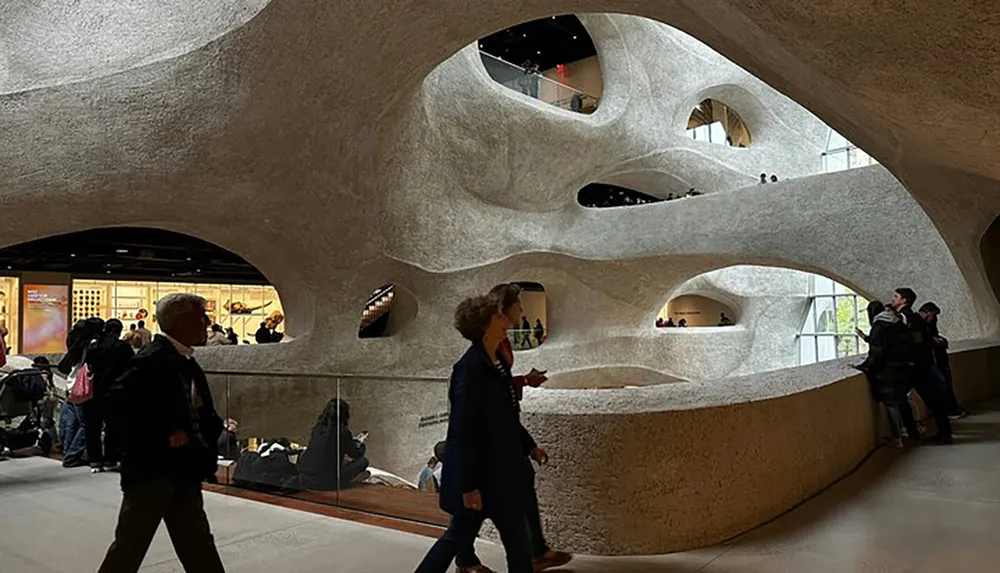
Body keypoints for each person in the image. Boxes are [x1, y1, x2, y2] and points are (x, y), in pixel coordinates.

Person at [97, 293, 225, 573]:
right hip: (153, 472)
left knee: (196, 543)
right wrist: (165, 436)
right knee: (131, 545)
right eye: (201, 317)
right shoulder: (152, 359)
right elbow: (115, 404)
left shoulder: (180, 358)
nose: (207, 323)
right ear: (181, 322)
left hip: (181, 468)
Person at [414, 295, 536, 573]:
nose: (506, 320)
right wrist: (468, 487)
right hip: (481, 479)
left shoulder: (498, 363)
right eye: (499, 317)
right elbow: (462, 430)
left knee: (518, 542)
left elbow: (506, 416)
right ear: (484, 325)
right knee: (457, 538)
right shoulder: (469, 369)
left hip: (501, 473)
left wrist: (529, 446)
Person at [890, 288, 953, 444]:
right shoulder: (915, 318)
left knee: (928, 399)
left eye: (896, 297)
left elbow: (914, 342)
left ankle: (932, 434)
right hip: (920, 365)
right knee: (931, 399)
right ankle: (930, 432)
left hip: (916, 366)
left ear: (904, 300)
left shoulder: (907, 318)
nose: (893, 299)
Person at [856, 301, 920, 447]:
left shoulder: (878, 326)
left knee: (891, 404)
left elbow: (877, 352)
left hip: (887, 372)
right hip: (903, 368)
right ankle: (912, 432)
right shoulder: (898, 323)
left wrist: (865, 366)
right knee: (903, 401)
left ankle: (897, 438)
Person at [84, 319, 134, 473]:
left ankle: (94, 461)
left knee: (93, 427)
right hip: (115, 392)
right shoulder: (122, 347)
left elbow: (88, 365)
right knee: (113, 427)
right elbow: (132, 367)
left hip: (94, 391)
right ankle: (110, 459)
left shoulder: (94, 346)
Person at [58, 318, 105, 468]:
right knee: (87, 425)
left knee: (71, 424)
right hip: (83, 389)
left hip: (71, 386)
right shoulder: (91, 345)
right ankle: (71, 457)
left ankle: (67, 453)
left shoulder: (75, 343)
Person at [297, 398, 371, 489]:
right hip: (323, 482)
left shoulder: (318, 429)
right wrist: (360, 443)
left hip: (304, 479)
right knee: (363, 461)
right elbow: (356, 454)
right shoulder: (343, 432)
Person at [919, 302, 968, 419]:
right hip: (933, 360)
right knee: (942, 385)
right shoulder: (921, 325)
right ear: (928, 313)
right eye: (933, 315)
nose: (934, 319)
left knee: (944, 384)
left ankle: (951, 409)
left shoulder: (927, 324)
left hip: (937, 359)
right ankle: (948, 410)